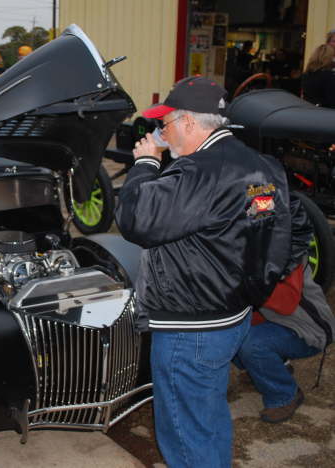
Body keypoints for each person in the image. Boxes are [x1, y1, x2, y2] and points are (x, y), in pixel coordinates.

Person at [115, 76, 302, 468]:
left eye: (163, 126)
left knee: (186, 433)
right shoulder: (258, 163)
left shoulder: (200, 174)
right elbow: (278, 237)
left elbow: (136, 219)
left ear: (188, 123)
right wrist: (252, 291)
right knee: (207, 417)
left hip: (192, 326)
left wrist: (147, 163)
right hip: (232, 315)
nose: (159, 134)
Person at [234, 257, 335, 423]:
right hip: (277, 325)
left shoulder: (289, 254)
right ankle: (269, 368)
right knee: (228, 332)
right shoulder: (241, 254)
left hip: (310, 331)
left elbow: (286, 301)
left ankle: (284, 395)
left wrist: (244, 285)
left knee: (252, 344)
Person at [301, 44, 335, 108]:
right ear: (329, 58)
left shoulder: (306, 73)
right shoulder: (329, 75)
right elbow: (331, 100)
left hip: (308, 109)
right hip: (324, 112)